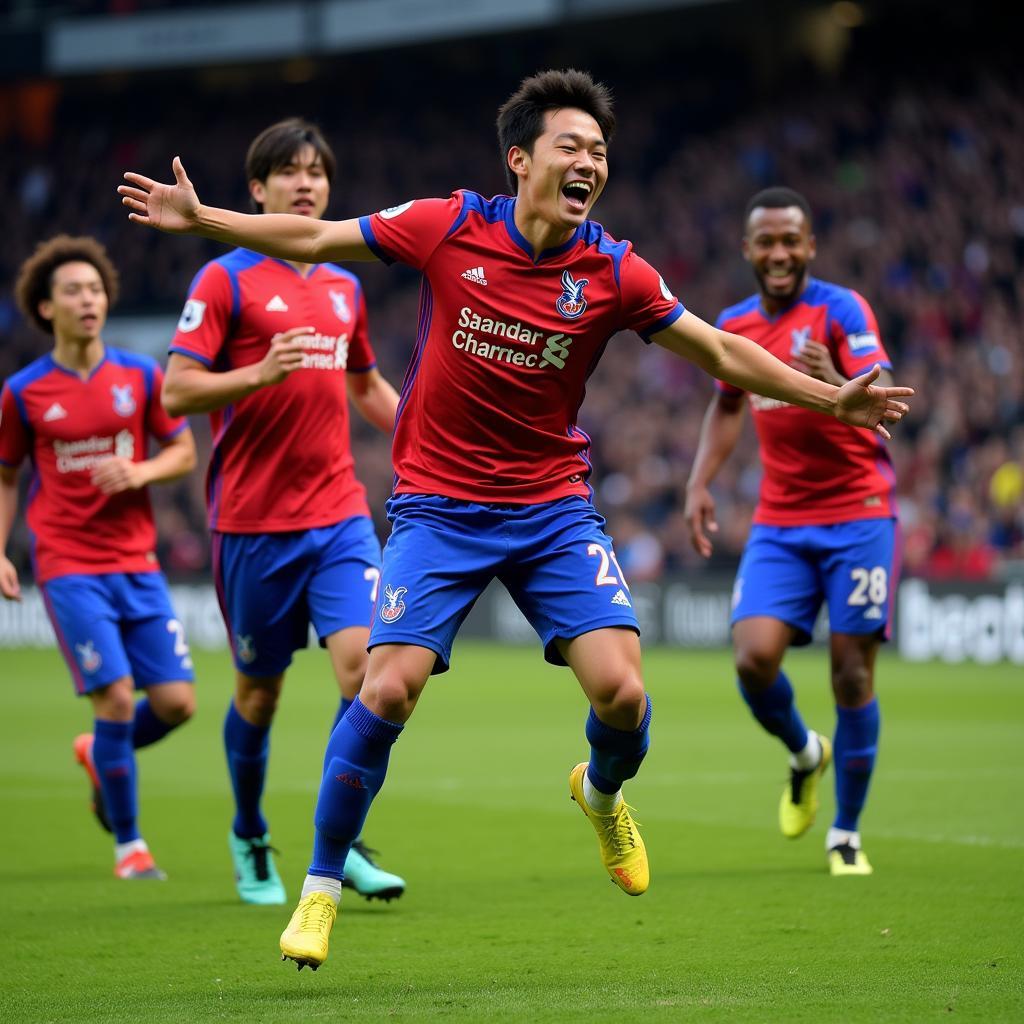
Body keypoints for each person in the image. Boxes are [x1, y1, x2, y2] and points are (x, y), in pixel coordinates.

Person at [118, 70, 912, 967]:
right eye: (571, 146)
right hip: (438, 511)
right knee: (384, 689)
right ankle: (319, 889)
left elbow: (721, 349)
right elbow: (316, 233)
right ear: (521, 159)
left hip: (552, 512)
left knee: (623, 694)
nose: (589, 163)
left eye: (600, 152)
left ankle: (602, 796)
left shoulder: (614, 269)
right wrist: (209, 220)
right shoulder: (449, 224)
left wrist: (829, 402)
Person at [161, 119, 405, 906]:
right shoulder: (223, 281)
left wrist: (427, 433)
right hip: (252, 524)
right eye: (288, 172)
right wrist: (258, 374)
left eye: (317, 172)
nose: (307, 184)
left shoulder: (343, 284)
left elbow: (364, 384)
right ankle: (248, 832)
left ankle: (342, 843)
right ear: (257, 190)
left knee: (367, 670)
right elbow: (176, 390)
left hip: (338, 514)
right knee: (258, 696)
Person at [684, 187, 900, 877]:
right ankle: (806, 751)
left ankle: (845, 833)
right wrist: (699, 480)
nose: (779, 253)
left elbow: (882, 383)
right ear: (748, 250)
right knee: (752, 659)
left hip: (860, 512)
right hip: (780, 520)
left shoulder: (840, 309)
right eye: (766, 242)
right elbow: (725, 408)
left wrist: (838, 380)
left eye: (790, 241)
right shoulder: (735, 323)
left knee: (850, 672)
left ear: (809, 247)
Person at [0, 235, 197, 880]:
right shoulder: (24, 393)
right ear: (46, 308)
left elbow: (183, 453)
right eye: (73, 292)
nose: (88, 300)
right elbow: (6, 477)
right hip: (68, 565)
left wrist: (139, 472)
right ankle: (130, 847)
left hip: (136, 562)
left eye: (95, 290)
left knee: (175, 704)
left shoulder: (139, 374)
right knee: (114, 696)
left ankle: (99, 754)